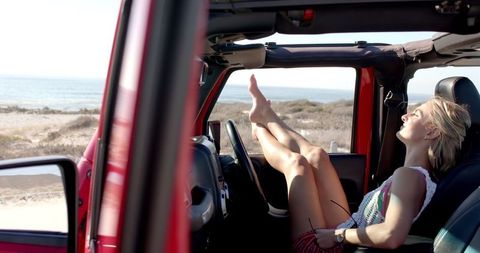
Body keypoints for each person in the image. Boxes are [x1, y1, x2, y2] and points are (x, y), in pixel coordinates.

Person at [247, 74, 471, 252]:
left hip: (332, 248)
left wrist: (336, 236)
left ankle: (258, 130)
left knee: (296, 165)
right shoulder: (415, 175)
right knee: (317, 156)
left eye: (416, 114)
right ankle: (266, 115)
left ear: (431, 131)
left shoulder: (410, 176)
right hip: (349, 230)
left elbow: (391, 236)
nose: (405, 115)